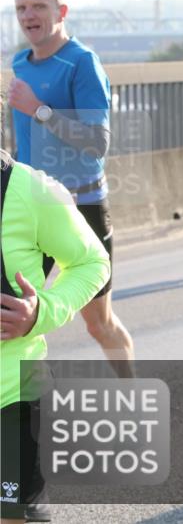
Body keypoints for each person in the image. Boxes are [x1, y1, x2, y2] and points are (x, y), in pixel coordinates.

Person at [8, 0, 133, 380]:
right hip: (30, 208)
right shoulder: (18, 64)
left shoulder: (82, 63)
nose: (29, 15)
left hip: (82, 206)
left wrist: (39, 109)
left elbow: (97, 142)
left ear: (61, 12)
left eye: (39, 7)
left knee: (98, 324)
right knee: (13, 316)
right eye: (22, 8)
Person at [1, 146, 112, 524]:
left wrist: (40, 313)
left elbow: (91, 262)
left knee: (13, 516)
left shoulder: (29, 190)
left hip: (11, 394)